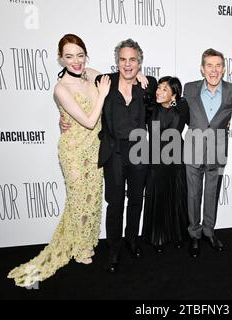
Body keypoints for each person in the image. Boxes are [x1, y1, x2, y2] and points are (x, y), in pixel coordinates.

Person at [7, 34, 111, 287]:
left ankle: (84, 242)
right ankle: (80, 250)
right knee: (78, 199)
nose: (76, 61)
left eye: (80, 55)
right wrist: (102, 95)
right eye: (69, 57)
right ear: (60, 59)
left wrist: (139, 77)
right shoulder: (61, 88)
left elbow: (116, 80)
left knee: (93, 197)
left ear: (86, 55)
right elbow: (88, 121)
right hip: (74, 151)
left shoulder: (92, 73)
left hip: (94, 148)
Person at [184, 48, 232, 258]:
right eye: (209, 66)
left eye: (218, 66)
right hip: (193, 148)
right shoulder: (189, 89)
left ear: (223, 69)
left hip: (218, 149)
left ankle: (209, 232)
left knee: (212, 194)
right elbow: (177, 108)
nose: (213, 70)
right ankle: (194, 235)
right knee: (193, 195)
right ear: (202, 68)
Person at [96, 39, 157, 273]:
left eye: (132, 59)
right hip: (114, 151)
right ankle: (114, 247)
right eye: (123, 59)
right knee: (115, 202)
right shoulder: (105, 81)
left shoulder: (148, 83)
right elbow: (79, 79)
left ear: (140, 62)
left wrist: (147, 86)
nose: (127, 64)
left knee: (135, 199)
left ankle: (132, 239)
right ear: (117, 61)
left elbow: (165, 98)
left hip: (139, 148)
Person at [141, 76, 189, 253]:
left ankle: (177, 235)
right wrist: (142, 78)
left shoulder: (182, 108)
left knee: (176, 198)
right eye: (159, 88)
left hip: (177, 160)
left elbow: (199, 121)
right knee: (158, 198)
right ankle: (158, 236)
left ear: (174, 95)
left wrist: (223, 123)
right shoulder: (150, 108)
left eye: (165, 89)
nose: (159, 92)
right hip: (155, 160)